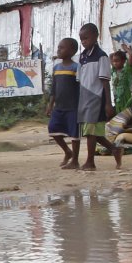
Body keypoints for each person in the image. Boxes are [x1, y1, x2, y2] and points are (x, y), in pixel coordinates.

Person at [75, 22, 121, 170]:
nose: (83, 42)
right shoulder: (82, 57)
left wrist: (108, 103)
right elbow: (79, 79)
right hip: (84, 97)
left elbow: (105, 81)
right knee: (91, 132)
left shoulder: (101, 56)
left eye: (86, 38)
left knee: (91, 131)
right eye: (81, 39)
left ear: (95, 37)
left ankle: (90, 161)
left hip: (96, 97)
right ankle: (114, 148)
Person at [48, 37, 80, 168]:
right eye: (58, 47)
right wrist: (50, 104)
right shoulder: (56, 68)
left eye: (62, 47)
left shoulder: (76, 67)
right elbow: (54, 88)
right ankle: (67, 151)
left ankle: (75, 161)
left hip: (73, 106)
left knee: (74, 134)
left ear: (72, 51)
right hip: (59, 106)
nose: (59, 50)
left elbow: (80, 87)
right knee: (53, 129)